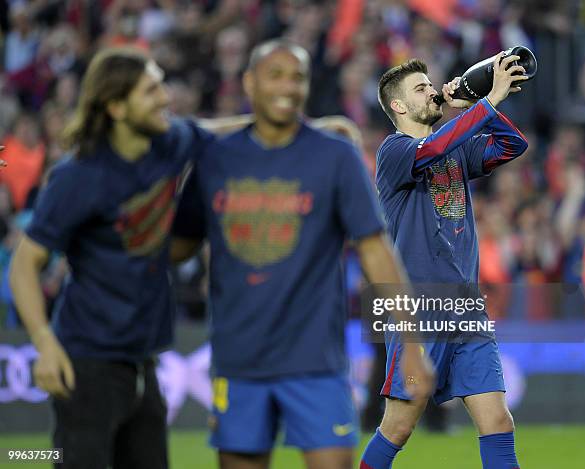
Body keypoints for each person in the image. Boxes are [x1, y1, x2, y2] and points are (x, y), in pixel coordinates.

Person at [171, 39, 434, 469]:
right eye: (275, 75)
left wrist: (410, 340)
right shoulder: (217, 160)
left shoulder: (334, 155)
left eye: (297, 77)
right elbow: (176, 246)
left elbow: (376, 250)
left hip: (316, 358)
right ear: (249, 83)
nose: (288, 87)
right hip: (239, 358)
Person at [7, 47, 244, 469]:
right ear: (116, 106)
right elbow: (25, 265)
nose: (165, 98)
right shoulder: (77, 176)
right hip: (87, 365)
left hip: (143, 361)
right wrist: (44, 344)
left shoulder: (169, 143)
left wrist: (307, 132)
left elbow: (219, 130)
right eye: (151, 90)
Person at [359, 54, 530, 469]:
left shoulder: (457, 151)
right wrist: (488, 103)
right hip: (421, 308)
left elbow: (513, 145)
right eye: (420, 88)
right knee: (398, 426)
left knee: (498, 421)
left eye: (428, 83)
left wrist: (474, 105)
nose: (432, 90)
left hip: (466, 305)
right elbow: (433, 146)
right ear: (399, 106)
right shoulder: (394, 152)